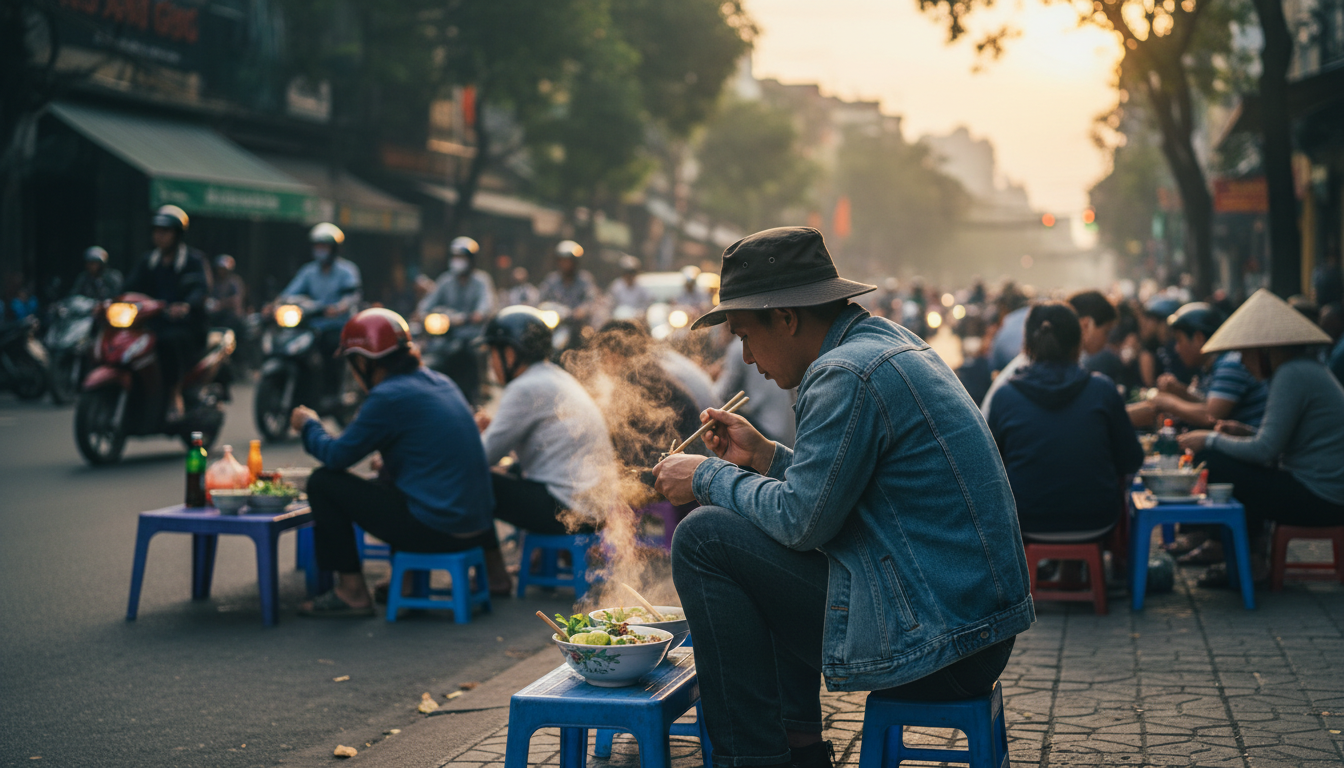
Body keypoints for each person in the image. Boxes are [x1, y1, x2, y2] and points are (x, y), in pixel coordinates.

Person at [652, 227, 1032, 768]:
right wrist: (762, 455)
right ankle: (800, 744)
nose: (748, 357)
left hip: (942, 642)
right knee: (754, 536)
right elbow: (827, 497)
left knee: (704, 536)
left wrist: (708, 476)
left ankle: (756, 759)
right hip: (971, 627)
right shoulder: (879, 343)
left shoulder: (843, 373)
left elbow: (801, 522)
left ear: (785, 318)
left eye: (745, 335)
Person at [291, 308, 499, 616]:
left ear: (363, 361)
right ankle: (407, 583)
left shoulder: (388, 396)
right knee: (389, 480)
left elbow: (336, 456)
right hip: (476, 528)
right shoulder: (440, 381)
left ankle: (351, 592)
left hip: (438, 530)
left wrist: (309, 425)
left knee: (324, 482)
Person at [1177, 289, 1344, 586]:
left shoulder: (1292, 374)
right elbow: (1276, 441)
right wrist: (1245, 432)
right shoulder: (1301, 369)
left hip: (1323, 498)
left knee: (1214, 460)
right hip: (1320, 490)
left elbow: (1265, 451)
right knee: (1224, 461)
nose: (1242, 362)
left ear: (1265, 351)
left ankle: (1249, 561)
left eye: (1245, 354)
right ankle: (1245, 555)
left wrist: (1209, 440)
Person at [476, 306, 616, 577]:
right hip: (594, 508)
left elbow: (482, 457)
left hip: (571, 511)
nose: (491, 364)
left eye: (493, 353)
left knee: (474, 482)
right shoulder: (554, 375)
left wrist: (473, 431)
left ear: (510, 353)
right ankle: (539, 559)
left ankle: (493, 576)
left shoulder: (524, 387)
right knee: (504, 475)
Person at [986, 302, 1143, 540]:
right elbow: (1131, 460)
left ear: (1027, 345)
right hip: (1096, 519)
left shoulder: (1004, 396)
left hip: (1026, 520)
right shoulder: (1103, 389)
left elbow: (992, 468)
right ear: (1079, 343)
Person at [123, 205, 212, 421]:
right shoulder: (148, 261)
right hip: (153, 321)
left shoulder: (193, 260)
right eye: (157, 231)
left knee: (167, 342)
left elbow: (201, 289)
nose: (160, 236)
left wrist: (186, 305)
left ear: (177, 235)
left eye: (165, 231)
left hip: (186, 326)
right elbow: (130, 287)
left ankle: (174, 395)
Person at [1127, 302, 1267, 429]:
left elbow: (1210, 416)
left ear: (1199, 338)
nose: (1176, 348)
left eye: (1179, 340)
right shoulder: (1211, 367)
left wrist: (1168, 402)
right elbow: (1206, 403)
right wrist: (1181, 392)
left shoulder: (1230, 365)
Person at [277, 223, 362, 400]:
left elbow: (352, 296)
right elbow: (289, 293)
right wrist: (275, 304)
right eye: (317, 246)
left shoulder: (347, 271)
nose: (320, 250)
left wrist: (339, 308)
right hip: (311, 326)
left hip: (336, 326)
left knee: (331, 351)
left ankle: (331, 394)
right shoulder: (308, 271)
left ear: (334, 249)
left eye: (324, 246)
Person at [416, 236, 496, 403]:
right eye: (455, 258)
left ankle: (478, 393)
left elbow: (485, 307)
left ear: (471, 260)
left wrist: (475, 316)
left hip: (470, 336)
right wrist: (422, 314)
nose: (457, 262)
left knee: (472, 354)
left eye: (462, 258)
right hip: (445, 336)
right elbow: (426, 305)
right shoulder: (445, 280)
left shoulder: (481, 281)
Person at [714, 334, 797, 447]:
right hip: (791, 434)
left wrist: (710, 378)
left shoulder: (737, 348)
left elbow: (719, 394)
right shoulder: (778, 341)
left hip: (766, 431)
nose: (747, 358)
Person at [538, 240, 600, 324]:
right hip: (555, 323)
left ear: (575, 262)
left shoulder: (584, 280)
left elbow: (591, 300)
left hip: (576, 324)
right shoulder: (551, 280)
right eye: (562, 261)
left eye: (568, 261)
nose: (565, 264)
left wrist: (582, 310)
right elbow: (542, 299)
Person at [608, 255, 653, 319]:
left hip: (636, 317)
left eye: (632, 273)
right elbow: (610, 303)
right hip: (619, 318)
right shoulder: (616, 286)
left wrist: (641, 311)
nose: (630, 276)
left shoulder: (641, 286)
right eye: (628, 273)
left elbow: (648, 301)